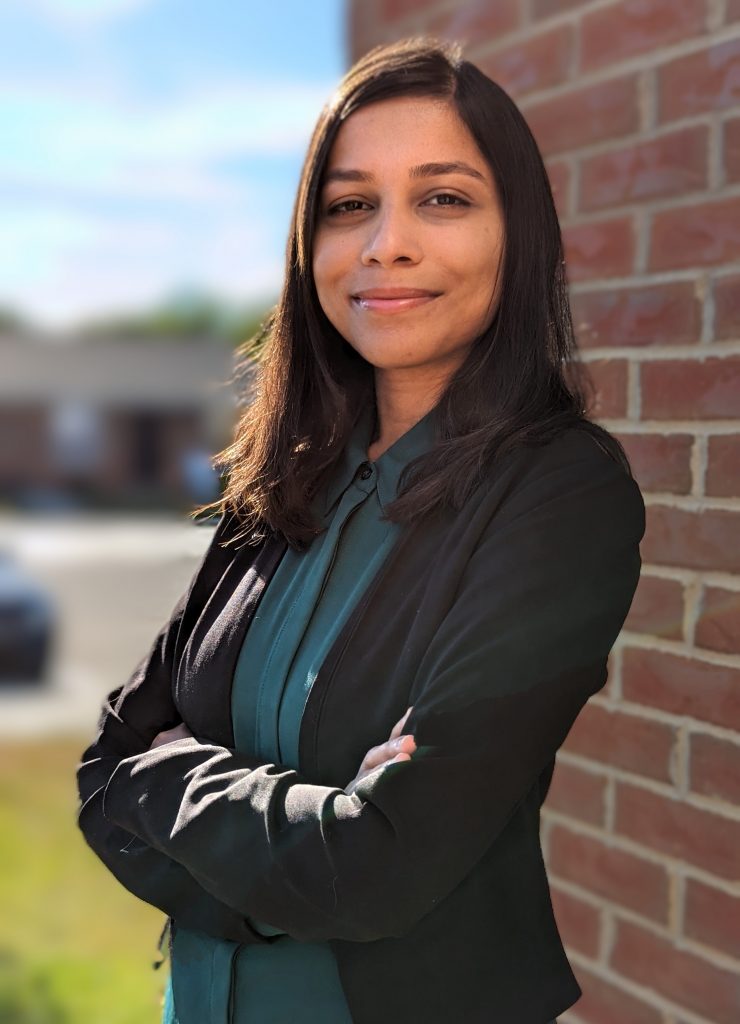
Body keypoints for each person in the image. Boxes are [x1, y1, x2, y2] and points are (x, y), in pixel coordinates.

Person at [76, 36, 645, 1024]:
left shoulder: (559, 494)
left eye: (443, 198)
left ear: (517, 233)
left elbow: (377, 867)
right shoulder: (282, 478)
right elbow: (98, 773)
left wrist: (163, 778)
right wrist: (299, 835)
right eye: (349, 205)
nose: (386, 243)